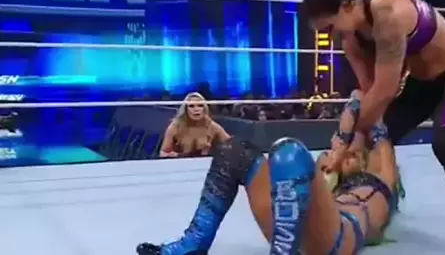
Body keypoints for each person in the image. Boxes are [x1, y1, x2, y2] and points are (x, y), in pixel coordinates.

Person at [303, 0, 445, 255]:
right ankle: (374, 202)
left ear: (347, 6)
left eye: (330, 27)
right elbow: (369, 93)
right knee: (376, 135)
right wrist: (356, 136)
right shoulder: (351, 40)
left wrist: (345, 139)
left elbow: (385, 90)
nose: (331, 38)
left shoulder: (387, 13)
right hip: (422, 84)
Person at [136, 92, 399, 255]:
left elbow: (366, 111)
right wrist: (340, 149)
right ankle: (194, 244)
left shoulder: (380, 185)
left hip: (335, 239)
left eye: (354, 157)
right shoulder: (326, 174)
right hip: (293, 226)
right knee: (233, 151)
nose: (342, 156)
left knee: (289, 153)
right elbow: (355, 102)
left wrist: (349, 135)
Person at [159, 92, 231, 158]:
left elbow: (231, 146)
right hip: (181, 164)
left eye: (200, 105)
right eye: (191, 106)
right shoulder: (175, 126)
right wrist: (177, 155)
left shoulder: (211, 126)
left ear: (204, 109)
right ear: (186, 109)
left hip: (205, 164)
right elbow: (163, 153)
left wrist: (216, 152)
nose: (196, 109)